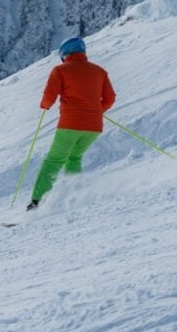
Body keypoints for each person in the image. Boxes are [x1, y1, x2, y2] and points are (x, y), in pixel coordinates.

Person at [28, 36, 116, 210]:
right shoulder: (100, 71)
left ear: (65, 54)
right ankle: (73, 196)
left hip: (70, 125)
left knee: (53, 161)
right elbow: (110, 98)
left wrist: (44, 105)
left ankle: (37, 202)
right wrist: (95, 111)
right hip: (94, 127)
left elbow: (49, 97)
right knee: (74, 158)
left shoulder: (60, 70)